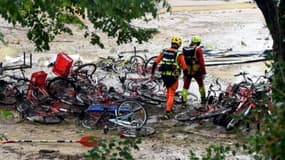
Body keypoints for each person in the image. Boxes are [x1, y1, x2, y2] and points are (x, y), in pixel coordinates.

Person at [151, 36, 187, 120]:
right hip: (173, 77)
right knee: (171, 94)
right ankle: (167, 112)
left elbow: (155, 62)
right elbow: (184, 67)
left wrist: (152, 73)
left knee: (168, 91)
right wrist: (186, 76)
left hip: (164, 76)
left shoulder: (164, 51)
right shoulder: (179, 54)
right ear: (179, 45)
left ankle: (169, 108)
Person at [182, 35, 206, 108]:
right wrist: (204, 72)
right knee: (201, 85)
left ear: (192, 41)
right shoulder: (198, 50)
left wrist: (183, 71)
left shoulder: (185, 49)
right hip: (197, 71)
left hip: (187, 70)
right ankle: (203, 100)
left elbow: (182, 61)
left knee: (185, 87)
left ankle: (183, 103)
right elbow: (201, 62)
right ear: (199, 42)